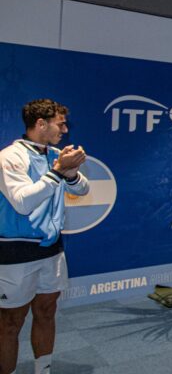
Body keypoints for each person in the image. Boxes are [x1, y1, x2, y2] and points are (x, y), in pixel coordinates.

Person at [0, 99, 90, 374]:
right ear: (41, 124)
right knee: (10, 322)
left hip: (52, 249)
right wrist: (58, 171)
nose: (65, 129)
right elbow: (22, 202)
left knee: (46, 311)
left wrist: (71, 171)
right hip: (16, 252)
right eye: (60, 123)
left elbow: (83, 189)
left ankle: (43, 370)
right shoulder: (9, 157)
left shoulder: (55, 154)